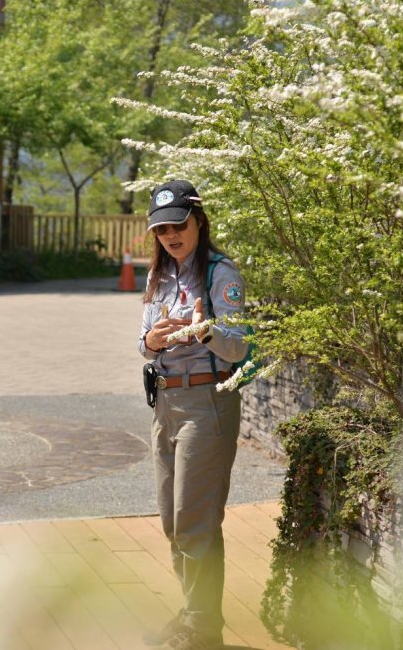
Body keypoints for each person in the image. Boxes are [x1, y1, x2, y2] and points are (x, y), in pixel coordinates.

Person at [138, 180, 249, 650]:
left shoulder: (222, 274)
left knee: (196, 520)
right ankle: (192, 614)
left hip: (207, 404)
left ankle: (204, 631)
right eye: (161, 229)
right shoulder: (159, 276)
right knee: (173, 521)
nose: (170, 236)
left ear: (199, 222)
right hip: (165, 402)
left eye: (178, 225)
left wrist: (205, 332)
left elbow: (238, 347)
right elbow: (142, 340)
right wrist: (153, 342)